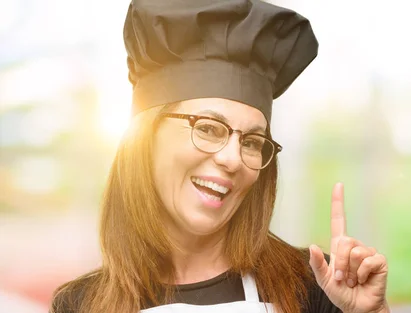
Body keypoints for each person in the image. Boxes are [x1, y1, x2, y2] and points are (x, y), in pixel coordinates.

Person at [50, 1, 389, 312]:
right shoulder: (81, 304)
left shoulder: (314, 287)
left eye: (252, 141)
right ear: (146, 138)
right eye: (209, 128)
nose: (233, 159)